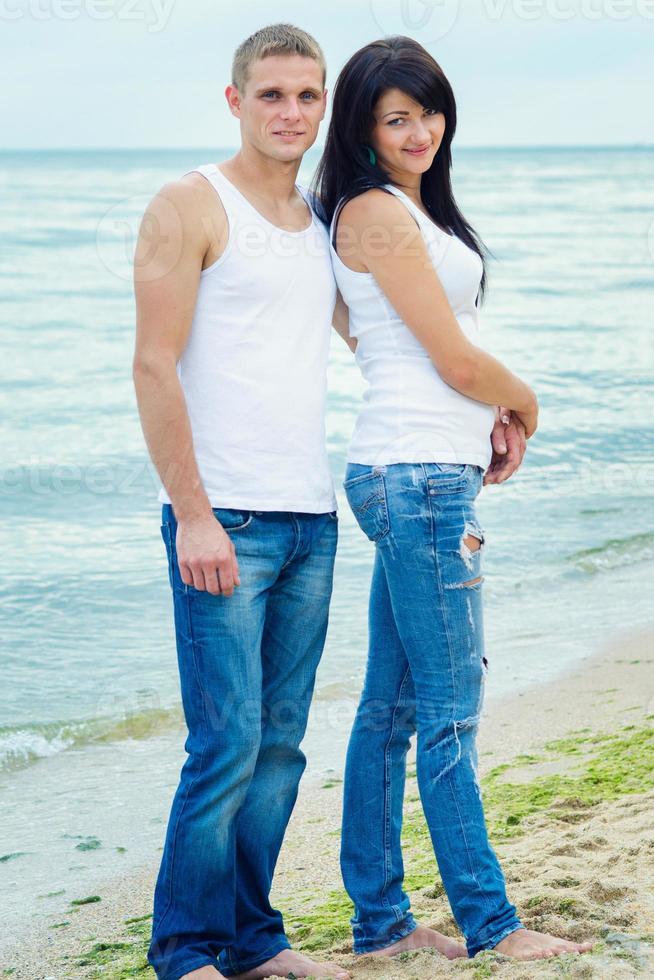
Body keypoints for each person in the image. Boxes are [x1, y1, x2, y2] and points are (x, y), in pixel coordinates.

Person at [314, 35, 595, 963]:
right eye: (397, 117)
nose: (420, 130)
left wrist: (487, 425)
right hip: (420, 481)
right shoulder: (374, 212)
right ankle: (492, 924)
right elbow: (454, 359)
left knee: (389, 711)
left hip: (421, 468)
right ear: (362, 124)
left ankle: (382, 924)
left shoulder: (399, 211)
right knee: (450, 711)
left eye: (430, 112)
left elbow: (388, 343)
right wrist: (524, 405)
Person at [132, 24, 351, 980]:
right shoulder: (190, 204)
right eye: (271, 95)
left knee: (281, 750)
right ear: (235, 100)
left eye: (307, 96)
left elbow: (384, 342)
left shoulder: (322, 224)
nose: (291, 113)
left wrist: (494, 410)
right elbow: (152, 366)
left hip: (313, 517)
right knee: (224, 745)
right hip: (228, 523)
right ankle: (183, 952)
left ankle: (253, 940)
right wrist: (192, 513)